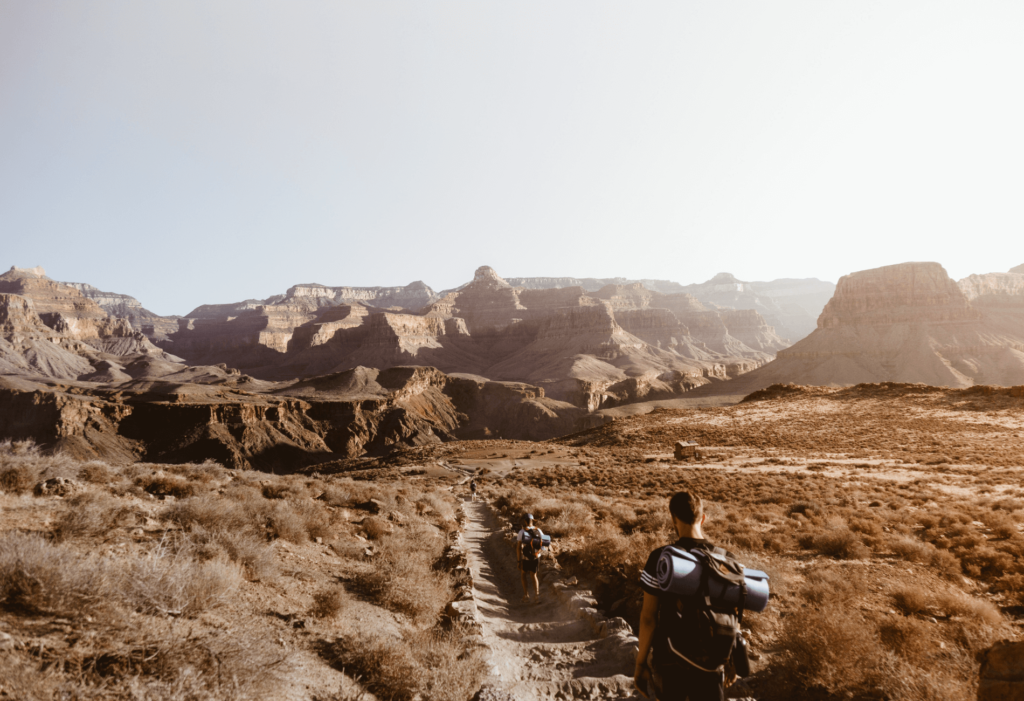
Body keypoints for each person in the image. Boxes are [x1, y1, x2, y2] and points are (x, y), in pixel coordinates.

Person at [634, 491, 732, 701]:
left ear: (673, 519)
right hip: (712, 660)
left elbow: (648, 618)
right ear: (703, 518)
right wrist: (729, 658)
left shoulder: (660, 558)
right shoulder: (725, 560)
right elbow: (732, 614)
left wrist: (641, 663)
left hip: (670, 658)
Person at [516, 513, 544, 603]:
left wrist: (518, 561)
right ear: (532, 521)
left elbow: (519, 547)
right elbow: (544, 544)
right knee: (534, 575)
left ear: (525, 521)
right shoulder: (538, 530)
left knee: (523, 574)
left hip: (525, 558)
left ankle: (526, 595)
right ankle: (537, 596)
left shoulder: (522, 532)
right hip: (536, 557)